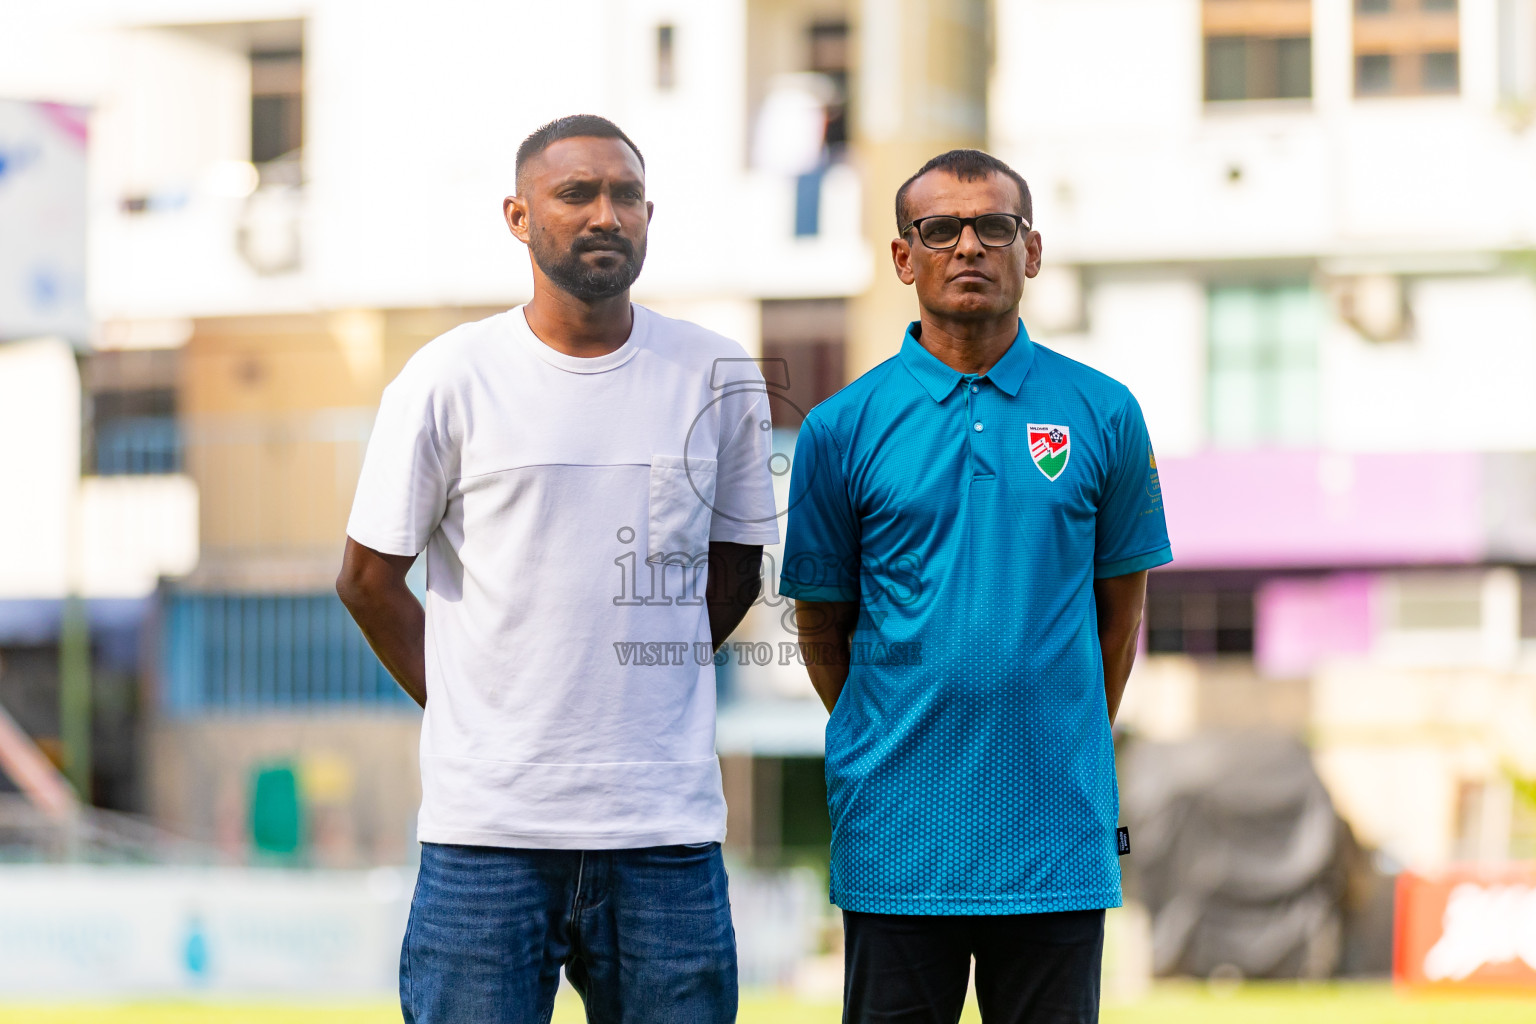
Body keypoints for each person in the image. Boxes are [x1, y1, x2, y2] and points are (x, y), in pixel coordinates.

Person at [336, 114, 779, 1024]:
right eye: (576, 194)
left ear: (649, 215)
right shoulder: (448, 376)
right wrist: (471, 704)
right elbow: (366, 579)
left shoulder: (717, 373)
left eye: (625, 196)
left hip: (664, 831)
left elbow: (736, 565)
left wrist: (646, 684)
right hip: (486, 838)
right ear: (518, 215)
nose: (605, 215)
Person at [780, 149, 1172, 1024]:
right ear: (902, 257)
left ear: (1030, 251)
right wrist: (888, 733)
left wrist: (1055, 728)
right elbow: (821, 627)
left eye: (993, 226)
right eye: (940, 229)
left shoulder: (1103, 412)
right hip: (897, 839)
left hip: (1054, 834)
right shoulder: (842, 428)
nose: (968, 246)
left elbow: (1122, 617)